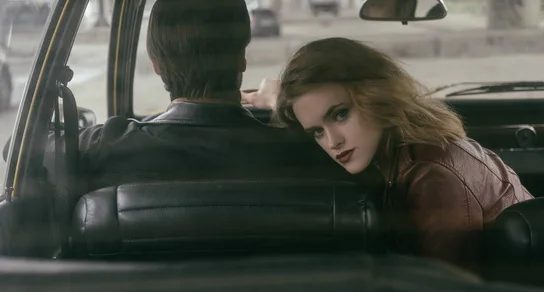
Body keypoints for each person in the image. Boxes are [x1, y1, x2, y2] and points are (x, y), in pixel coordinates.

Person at [242, 37, 533, 271]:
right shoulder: (393, 150)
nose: (333, 142)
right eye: (316, 131)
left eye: (341, 114)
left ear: (377, 97)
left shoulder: (433, 177)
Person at [3, 0, 343, 194]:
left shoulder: (105, 146)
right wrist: (287, 106)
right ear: (242, 58)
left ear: (156, 65)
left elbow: (17, 150)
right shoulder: (306, 149)